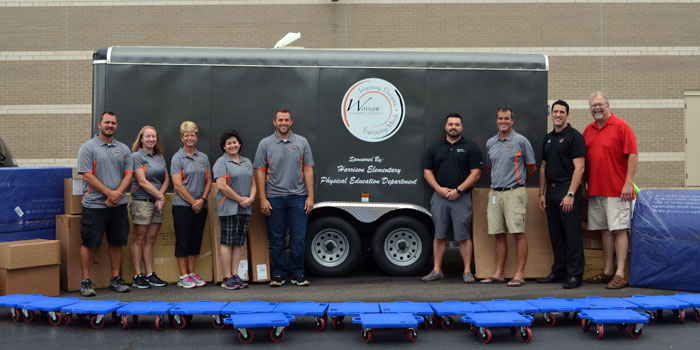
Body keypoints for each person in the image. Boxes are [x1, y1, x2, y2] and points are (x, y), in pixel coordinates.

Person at [582, 92, 638, 290]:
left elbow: (632, 155)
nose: (596, 108)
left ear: (608, 105)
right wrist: (584, 186)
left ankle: (620, 273)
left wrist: (627, 183)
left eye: (600, 105)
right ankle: (607, 270)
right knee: (605, 229)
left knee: (619, 229)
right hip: (596, 190)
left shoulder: (621, 126)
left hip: (617, 191)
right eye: (593, 105)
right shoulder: (587, 131)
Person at [254, 109, 314, 287]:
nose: (283, 123)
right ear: (274, 122)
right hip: (274, 197)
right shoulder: (265, 144)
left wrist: (310, 196)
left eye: (286, 120)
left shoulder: (302, 142)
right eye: (280, 120)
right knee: (276, 238)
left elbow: (308, 169)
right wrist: (263, 199)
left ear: (291, 122)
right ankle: (278, 275)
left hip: (298, 197)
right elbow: (260, 171)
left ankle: (297, 274)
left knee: (298, 238)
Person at [77, 111, 133, 297]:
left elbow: (129, 174)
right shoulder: (88, 148)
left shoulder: (123, 149)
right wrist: (108, 193)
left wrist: (116, 195)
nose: (110, 125)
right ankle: (85, 281)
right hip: (94, 205)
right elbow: (87, 174)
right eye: (107, 122)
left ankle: (115, 279)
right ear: (99, 125)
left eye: (113, 123)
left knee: (117, 242)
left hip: (118, 205)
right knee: (90, 243)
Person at [422, 113, 482, 283]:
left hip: (461, 198)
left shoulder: (471, 148)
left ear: (462, 127)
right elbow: (427, 172)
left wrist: (459, 190)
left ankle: (467, 271)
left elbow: (476, 173)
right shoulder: (435, 148)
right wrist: (439, 189)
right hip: (440, 197)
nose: (453, 127)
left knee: (463, 235)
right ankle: (437, 270)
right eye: (450, 124)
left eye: (457, 124)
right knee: (439, 234)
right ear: (445, 127)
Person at [481, 106, 536, 287]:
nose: (503, 122)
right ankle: (499, 273)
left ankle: (519, 274)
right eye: (500, 119)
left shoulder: (521, 141)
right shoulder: (490, 143)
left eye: (506, 119)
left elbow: (531, 166)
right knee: (498, 234)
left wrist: (517, 182)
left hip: (515, 192)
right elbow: (492, 167)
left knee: (518, 234)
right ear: (496, 121)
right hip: (495, 194)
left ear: (512, 121)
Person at [536, 100, 586, 289]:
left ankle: (575, 274)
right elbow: (543, 168)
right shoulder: (548, 138)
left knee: (572, 234)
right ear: (551, 114)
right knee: (556, 234)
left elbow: (579, 168)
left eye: (561, 112)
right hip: (551, 191)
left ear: (567, 115)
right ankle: (558, 271)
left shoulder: (575, 137)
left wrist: (571, 194)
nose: (558, 114)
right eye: (555, 111)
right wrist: (542, 193)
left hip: (568, 190)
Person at [171, 121, 212, 288]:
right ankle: (183, 276)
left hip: (201, 205)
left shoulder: (203, 158)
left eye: (192, 135)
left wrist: (202, 199)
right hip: (183, 206)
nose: (190, 138)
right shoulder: (177, 158)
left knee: (195, 240)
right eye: (186, 135)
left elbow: (209, 180)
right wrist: (193, 201)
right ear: (182, 137)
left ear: (196, 137)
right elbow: (177, 184)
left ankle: (191, 273)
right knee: (183, 239)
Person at [213, 130, 256, 290]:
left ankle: (235, 274)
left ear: (239, 144)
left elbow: (253, 183)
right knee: (227, 242)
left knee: (238, 242)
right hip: (229, 207)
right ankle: (227, 277)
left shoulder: (246, 162)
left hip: (245, 207)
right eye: (229, 143)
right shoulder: (221, 162)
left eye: (234, 142)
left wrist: (251, 198)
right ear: (224, 147)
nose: (232, 145)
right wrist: (240, 199)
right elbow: (222, 186)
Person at [128, 126, 169, 289]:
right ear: (141, 139)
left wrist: (160, 197)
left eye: (153, 137)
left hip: (157, 203)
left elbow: (166, 180)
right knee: (139, 238)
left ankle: (150, 274)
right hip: (142, 201)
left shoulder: (159, 157)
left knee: (150, 240)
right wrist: (160, 196)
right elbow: (142, 181)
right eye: (148, 137)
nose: (151, 139)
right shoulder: (136, 156)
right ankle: (137, 275)